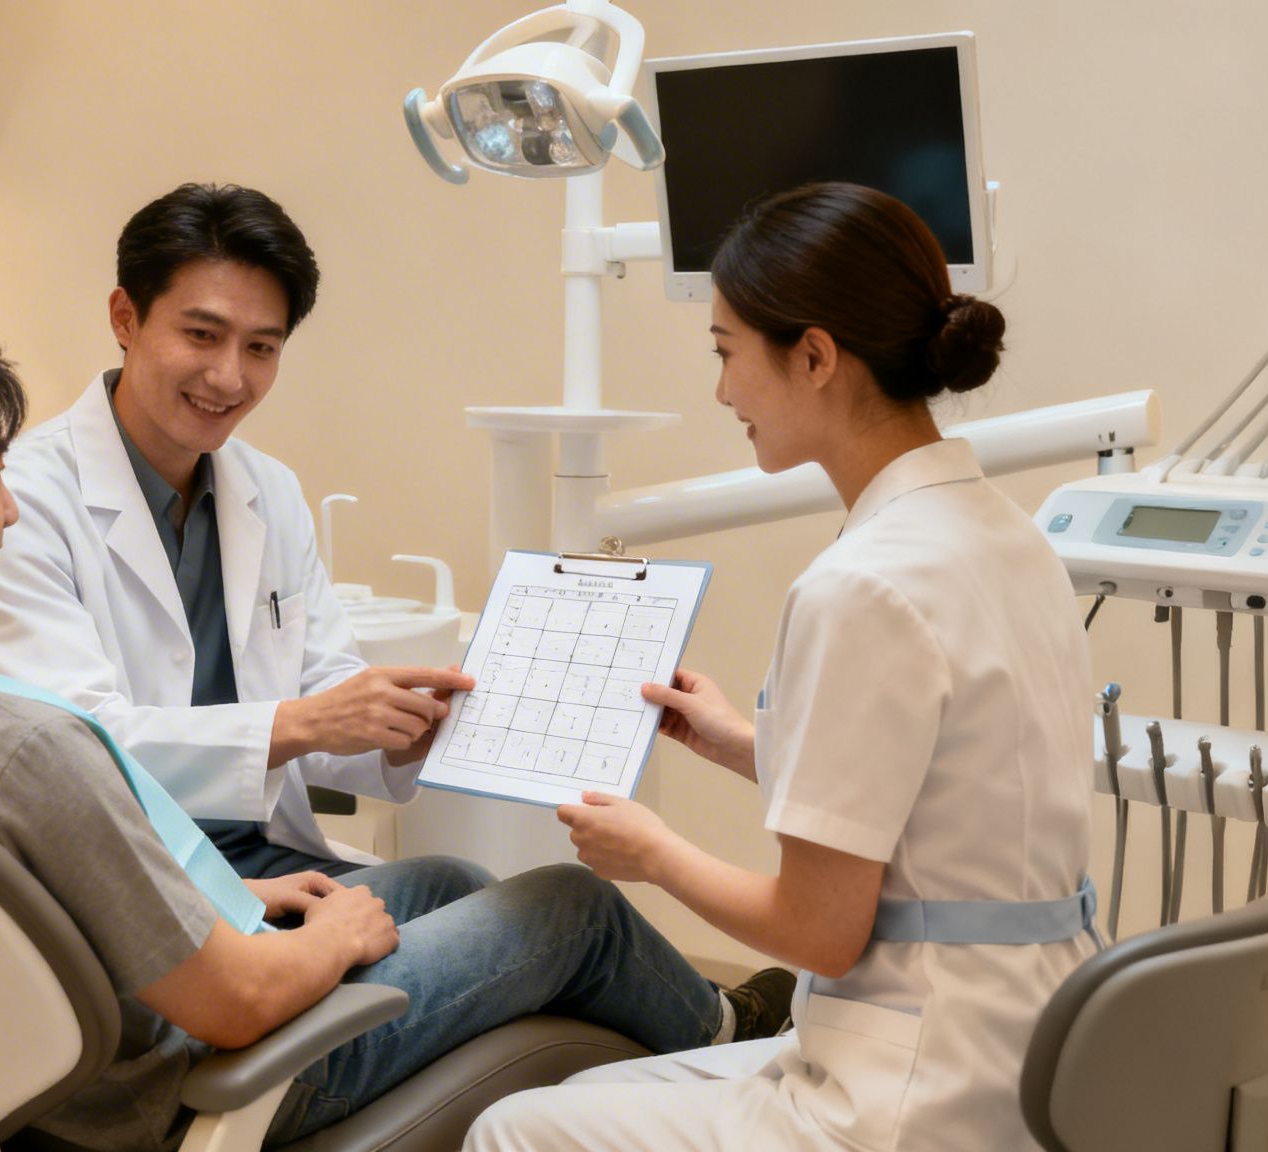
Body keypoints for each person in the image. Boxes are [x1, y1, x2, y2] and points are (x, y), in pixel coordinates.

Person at [0, 311, 795, 1152]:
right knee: (569, 907)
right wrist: (328, 941)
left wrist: (261, 874)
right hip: (173, 1082)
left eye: (261, 344)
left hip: (61, 1026)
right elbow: (232, 1004)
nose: (10, 510)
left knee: (449, 884)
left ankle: (669, 1039)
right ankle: (730, 1047)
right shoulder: (16, 745)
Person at [466, 183, 1098, 1151]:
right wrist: (742, 744)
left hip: (906, 1094)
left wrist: (652, 853)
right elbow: (946, 806)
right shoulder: (1011, 540)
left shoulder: (856, 587)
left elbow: (817, 931)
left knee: (509, 1132)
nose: (721, 394)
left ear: (812, 357)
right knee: (622, 1087)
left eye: (726, 354)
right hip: (1030, 1057)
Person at [0, 182, 478, 886]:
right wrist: (305, 722)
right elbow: (75, 749)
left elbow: (324, 696)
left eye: (261, 347)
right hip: (127, 882)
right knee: (525, 912)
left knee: (467, 888)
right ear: (125, 317)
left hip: (263, 862)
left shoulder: (271, 492)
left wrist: (406, 730)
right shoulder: (20, 498)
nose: (229, 376)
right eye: (202, 335)